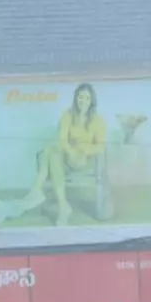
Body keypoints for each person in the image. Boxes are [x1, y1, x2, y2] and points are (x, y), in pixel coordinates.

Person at [19, 82, 109, 225]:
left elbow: (101, 146)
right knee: (53, 154)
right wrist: (71, 152)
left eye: (87, 98)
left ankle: (37, 189)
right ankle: (63, 207)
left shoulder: (98, 121)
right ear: (76, 98)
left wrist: (83, 151)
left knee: (49, 149)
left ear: (92, 100)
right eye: (80, 97)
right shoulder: (68, 115)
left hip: (84, 160)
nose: (83, 101)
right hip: (67, 157)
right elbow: (62, 140)